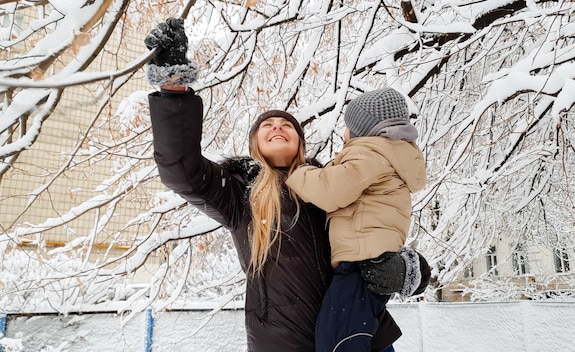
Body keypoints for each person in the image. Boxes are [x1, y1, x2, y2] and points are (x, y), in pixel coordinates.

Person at [143, 18, 428, 352]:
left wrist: (410, 269)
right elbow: (180, 169)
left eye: (286, 125)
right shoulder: (238, 193)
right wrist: (173, 86)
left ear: (300, 144)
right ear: (255, 146)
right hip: (282, 344)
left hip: (359, 337)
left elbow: (381, 223)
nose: (277, 127)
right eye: (268, 125)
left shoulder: (332, 183)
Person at [285, 87, 430, 352]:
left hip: (361, 263)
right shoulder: (394, 154)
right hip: (373, 259)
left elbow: (331, 191)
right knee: (360, 334)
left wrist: (298, 174)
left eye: (347, 127)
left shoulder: (369, 153)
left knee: (338, 339)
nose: (344, 133)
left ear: (364, 129)